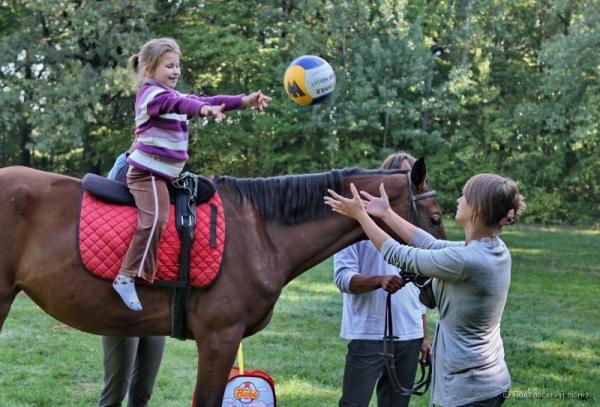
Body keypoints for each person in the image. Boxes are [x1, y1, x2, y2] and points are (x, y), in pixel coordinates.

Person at [325, 173, 525, 406]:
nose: (458, 200)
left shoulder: (468, 260)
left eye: (464, 196)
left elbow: (399, 255)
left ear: (477, 209)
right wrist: (386, 214)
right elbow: (431, 244)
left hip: (470, 390)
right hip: (487, 381)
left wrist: (361, 216)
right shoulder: (492, 248)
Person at [113, 37, 271, 311]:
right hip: (147, 174)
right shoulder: (151, 95)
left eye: (177, 65)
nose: (176, 71)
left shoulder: (173, 95)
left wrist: (244, 101)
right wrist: (202, 109)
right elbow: (182, 106)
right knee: (156, 219)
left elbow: (206, 100)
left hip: (165, 174)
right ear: (149, 69)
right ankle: (126, 276)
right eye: (169, 66)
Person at [333, 152, 431, 407]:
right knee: (354, 404)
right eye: (404, 177)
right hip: (369, 333)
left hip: (409, 335)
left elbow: (419, 287)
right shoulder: (356, 222)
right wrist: (379, 280)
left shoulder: (413, 228)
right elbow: (343, 278)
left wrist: (424, 335)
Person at [98, 153, 166, 407]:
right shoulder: (126, 167)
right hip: (121, 302)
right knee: (115, 392)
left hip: (157, 298)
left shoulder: (167, 172)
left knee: (143, 393)